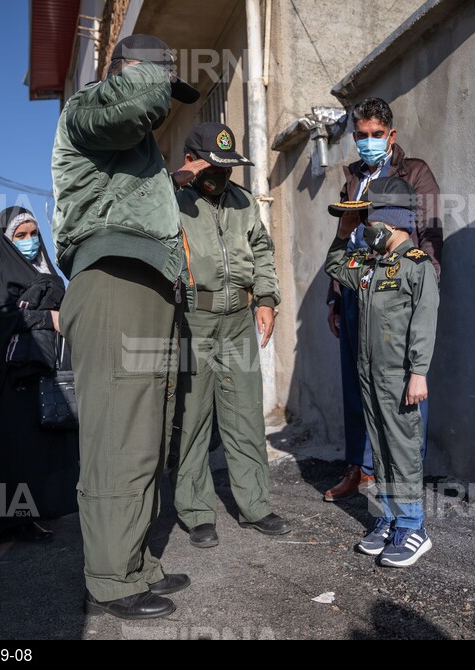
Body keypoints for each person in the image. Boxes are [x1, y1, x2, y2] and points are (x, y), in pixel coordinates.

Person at [52, 34, 200, 620]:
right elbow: (131, 106)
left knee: (144, 434)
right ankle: (111, 579)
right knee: (117, 435)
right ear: (132, 73)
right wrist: (147, 77)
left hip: (144, 284)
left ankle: (135, 562)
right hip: (112, 279)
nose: (165, 106)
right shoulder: (88, 106)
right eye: (161, 85)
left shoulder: (132, 139)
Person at [168, 122, 291, 549]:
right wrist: (172, 182)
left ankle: (255, 506)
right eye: (213, 168)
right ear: (191, 162)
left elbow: (261, 249)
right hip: (193, 323)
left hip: (239, 322)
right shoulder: (171, 201)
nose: (221, 177)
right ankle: (197, 512)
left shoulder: (240, 202)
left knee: (244, 417)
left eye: (228, 168)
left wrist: (267, 299)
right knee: (192, 419)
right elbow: (134, 210)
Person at [324, 98, 442, 502]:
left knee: (405, 384)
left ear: (391, 135)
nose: (369, 142)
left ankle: (406, 479)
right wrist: (336, 299)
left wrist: (422, 290)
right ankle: (363, 469)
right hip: (357, 289)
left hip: (396, 294)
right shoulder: (353, 177)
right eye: (361, 136)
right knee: (358, 383)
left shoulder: (415, 173)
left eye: (377, 135)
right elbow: (345, 234)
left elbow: (430, 235)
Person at [325, 177, 439, 568]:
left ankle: (413, 527)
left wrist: (419, 373)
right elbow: (336, 265)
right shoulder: (370, 266)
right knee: (381, 448)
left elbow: (424, 323)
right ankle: (390, 518)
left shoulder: (416, 267)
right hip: (369, 375)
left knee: (403, 449)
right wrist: (343, 233)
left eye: (369, 222)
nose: (365, 230)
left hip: (400, 376)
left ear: (390, 223)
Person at [0, 207, 79, 545]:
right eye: (20, 235)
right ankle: (8, 521)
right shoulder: (0, 271)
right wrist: (48, 319)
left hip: (47, 369)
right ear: (7, 240)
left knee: (42, 447)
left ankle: (40, 509)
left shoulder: (45, 266)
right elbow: (0, 319)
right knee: (11, 449)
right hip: (12, 377)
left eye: (32, 234)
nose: (29, 241)